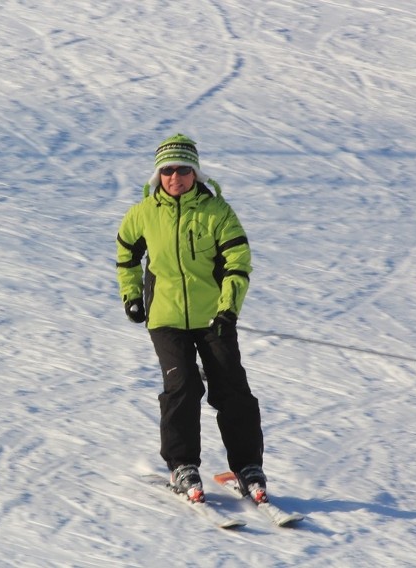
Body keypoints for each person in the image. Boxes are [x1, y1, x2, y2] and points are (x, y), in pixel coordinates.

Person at [116, 134, 267, 504]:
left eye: (183, 170)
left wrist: (228, 309)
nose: (175, 177)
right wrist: (132, 295)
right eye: (167, 171)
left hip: (213, 318)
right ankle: (182, 464)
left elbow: (238, 263)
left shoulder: (217, 212)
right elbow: (126, 253)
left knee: (232, 388)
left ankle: (248, 466)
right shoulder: (143, 213)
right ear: (158, 176)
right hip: (165, 318)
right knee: (182, 386)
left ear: (195, 173)